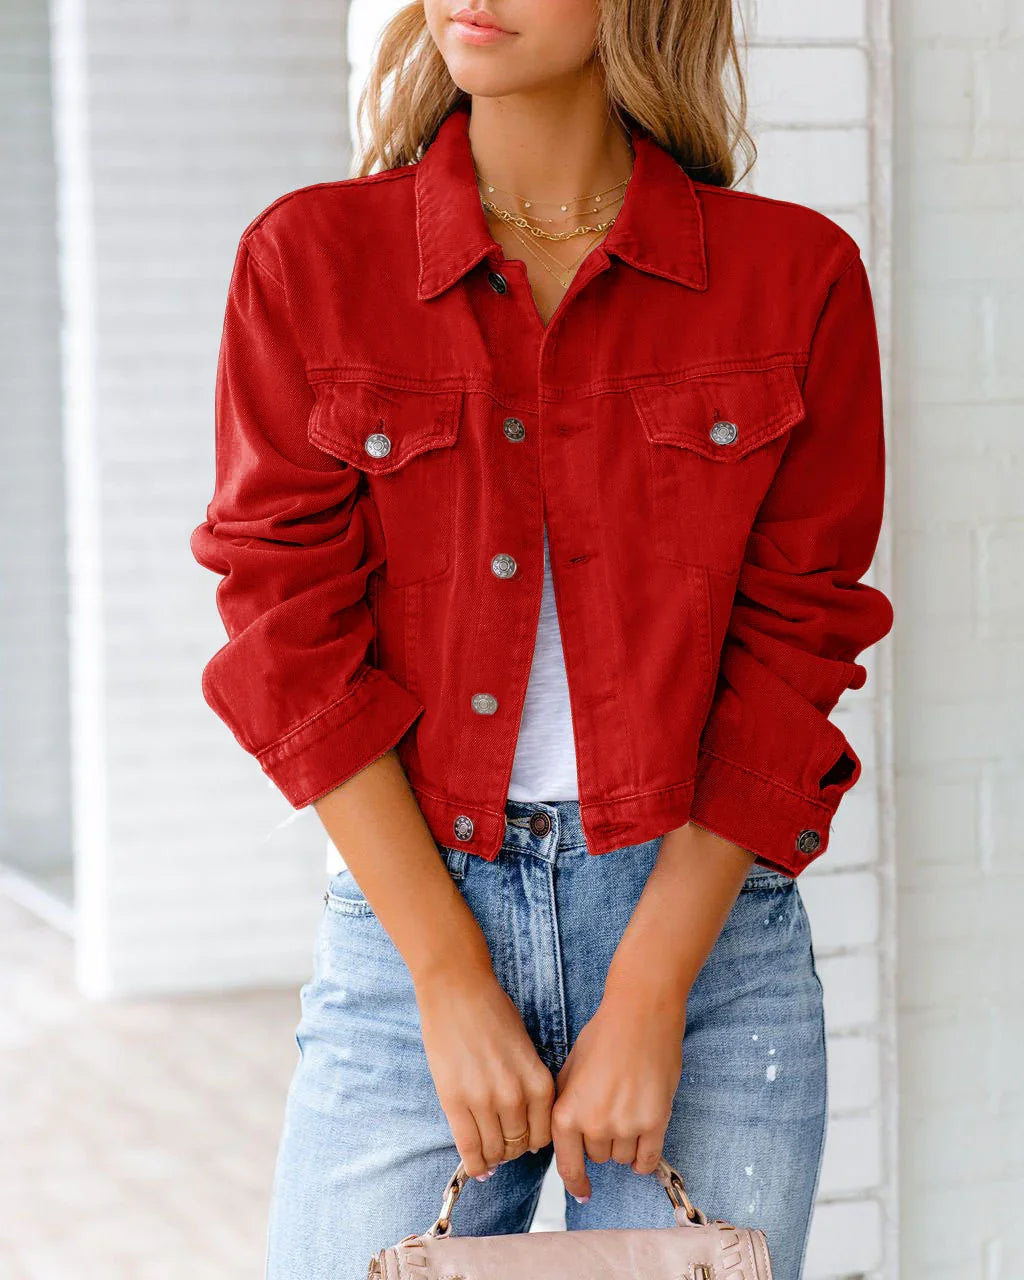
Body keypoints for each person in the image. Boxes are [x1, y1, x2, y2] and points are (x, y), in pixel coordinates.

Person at [190, 2, 894, 1278]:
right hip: (417, 917)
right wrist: (450, 976)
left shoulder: (794, 277)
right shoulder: (312, 260)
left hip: (706, 939)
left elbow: (799, 639)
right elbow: (285, 624)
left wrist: (652, 988)